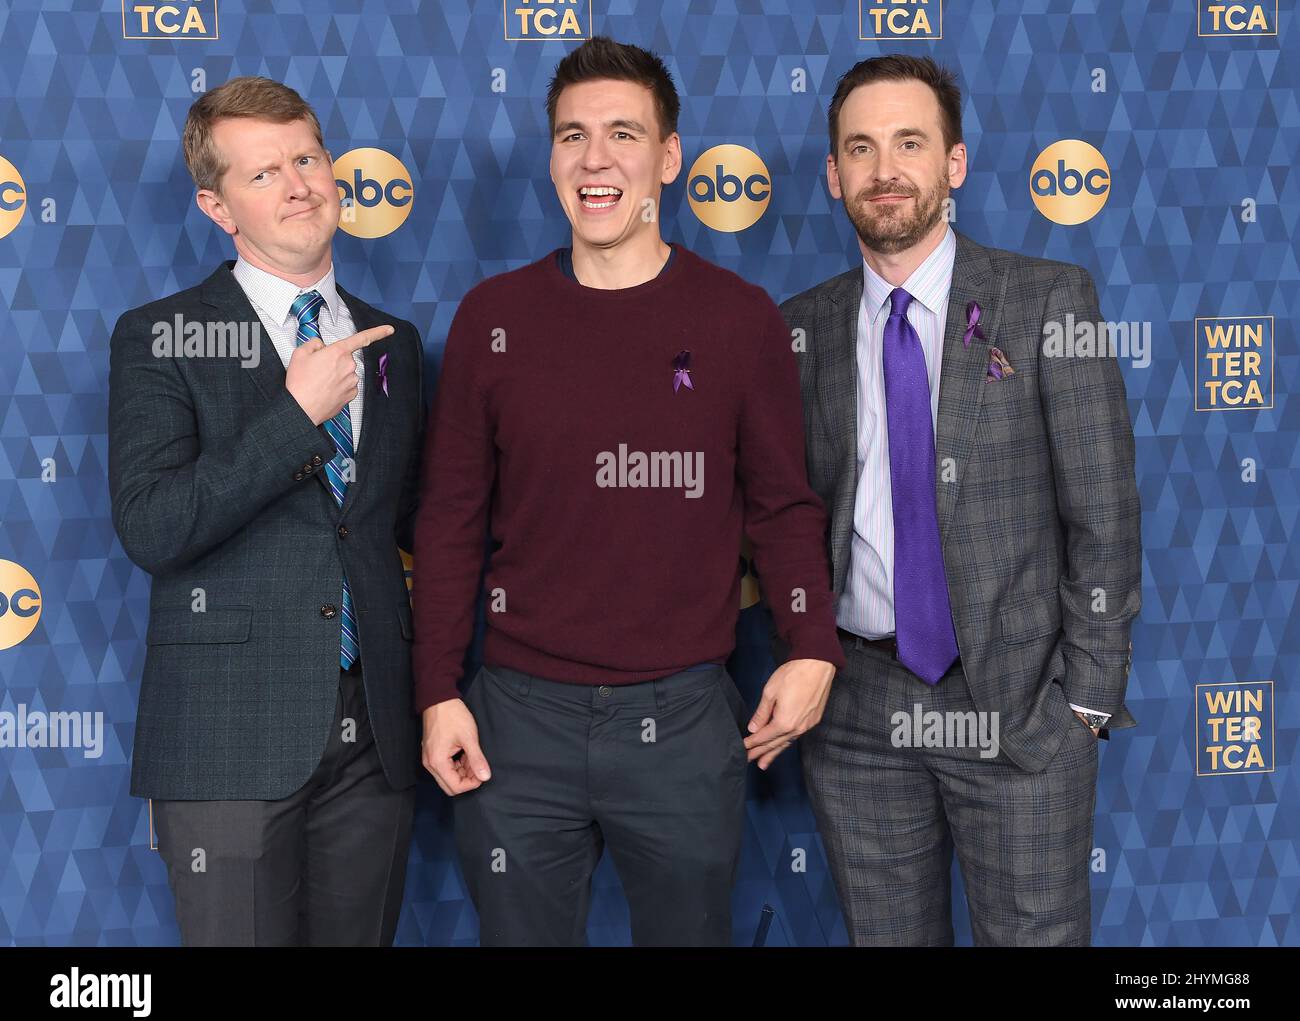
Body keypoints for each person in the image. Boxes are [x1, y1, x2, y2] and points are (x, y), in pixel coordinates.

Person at [412, 36, 845, 946]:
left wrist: (812, 645)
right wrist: (436, 692)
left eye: (621, 133)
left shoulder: (738, 320)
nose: (595, 159)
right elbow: (450, 522)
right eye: (572, 136)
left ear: (670, 157)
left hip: (684, 721)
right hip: (516, 723)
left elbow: (782, 505)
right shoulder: (493, 322)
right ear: (553, 157)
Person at [779, 55, 1140, 946]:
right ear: (833, 175)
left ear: (955, 163)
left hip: (1019, 707)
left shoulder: (1052, 299)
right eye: (859, 149)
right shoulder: (799, 327)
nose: (884, 169)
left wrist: (1084, 703)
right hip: (859, 711)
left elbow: (1104, 513)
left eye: (910, 142)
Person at [108, 76, 425, 946]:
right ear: (217, 207)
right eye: (263, 174)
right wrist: (294, 416)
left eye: (308, 158)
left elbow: (414, 526)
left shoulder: (395, 341)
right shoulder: (161, 334)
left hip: (376, 740)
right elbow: (154, 525)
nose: (298, 184)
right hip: (226, 740)